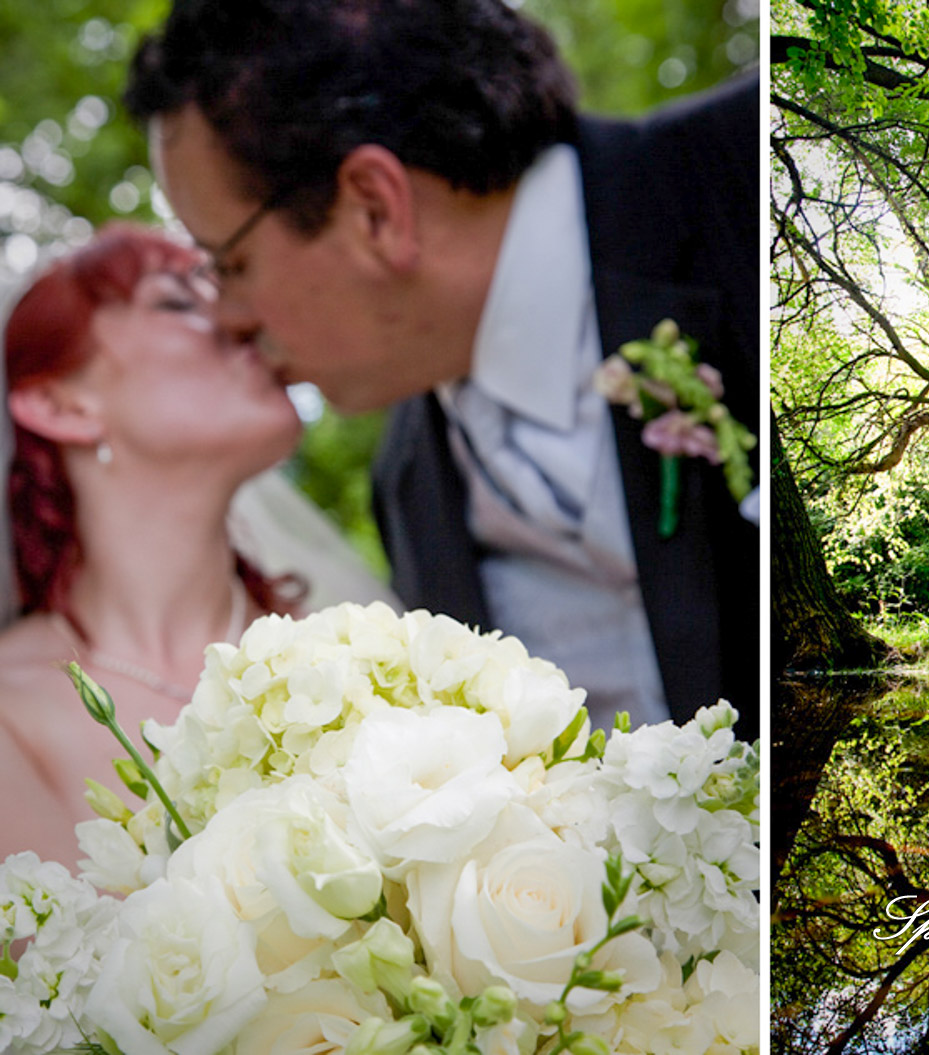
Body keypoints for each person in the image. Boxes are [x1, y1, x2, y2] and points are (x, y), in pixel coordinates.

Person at [124, 0, 759, 734]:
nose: (225, 317)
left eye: (229, 262)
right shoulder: (407, 483)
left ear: (374, 208)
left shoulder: (747, 169)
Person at [0, 224, 305, 865]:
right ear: (61, 405)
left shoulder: (358, 660)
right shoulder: (9, 710)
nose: (240, 320)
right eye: (176, 303)